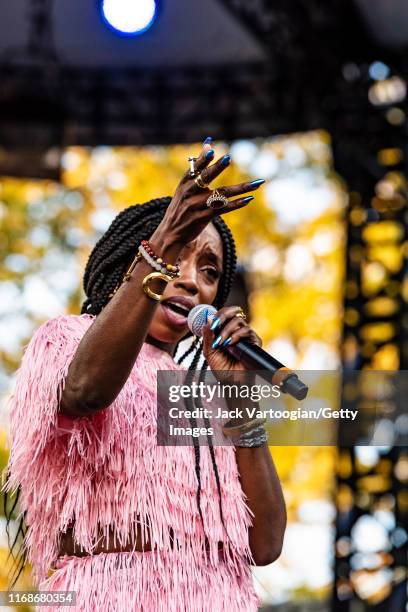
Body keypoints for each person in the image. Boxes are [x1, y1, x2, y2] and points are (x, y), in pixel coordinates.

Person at [3, 138, 287, 611]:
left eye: (210, 271)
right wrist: (166, 238)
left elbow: (266, 545)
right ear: (131, 261)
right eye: (179, 254)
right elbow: (86, 392)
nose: (193, 280)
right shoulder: (67, 338)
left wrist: (240, 400)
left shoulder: (210, 395)